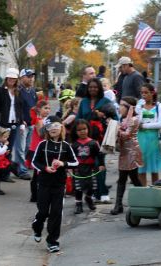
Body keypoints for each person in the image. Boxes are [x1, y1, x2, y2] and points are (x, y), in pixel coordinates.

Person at [31, 115, 78, 253]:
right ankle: (37, 227)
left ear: (61, 128)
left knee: (56, 213)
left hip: (59, 184)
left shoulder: (66, 146)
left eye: (56, 126)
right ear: (46, 129)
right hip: (44, 183)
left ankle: (52, 241)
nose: (53, 129)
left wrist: (63, 163)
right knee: (43, 212)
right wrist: (45, 168)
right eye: (50, 126)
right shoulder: (42, 144)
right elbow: (34, 162)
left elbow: (75, 162)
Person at [77, 78, 115, 203]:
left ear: (99, 88)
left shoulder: (106, 101)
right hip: (86, 138)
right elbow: (78, 119)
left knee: (100, 163)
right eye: (90, 87)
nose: (93, 89)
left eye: (95, 87)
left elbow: (115, 118)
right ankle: (93, 192)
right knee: (90, 165)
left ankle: (103, 193)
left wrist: (103, 116)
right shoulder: (84, 102)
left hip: (100, 137)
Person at [110, 96, 143, 215]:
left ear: (129, 107)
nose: (119, 107)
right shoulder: (123, 119)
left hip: (131, 151)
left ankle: (144, 201)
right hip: (125, 151)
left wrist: (116, 129)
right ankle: (118, 205)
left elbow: (127, 135)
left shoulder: (133, 119)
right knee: (122, 178)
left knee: (133, 178)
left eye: (122, 105)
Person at [0, 67, 24, 183]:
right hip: (3, 124)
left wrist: (21, 123)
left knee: (8, 150)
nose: (12, 80)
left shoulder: (18, 91)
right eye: (10, 78)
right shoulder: (0, 90)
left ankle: (5, 174)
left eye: (14, 78)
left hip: (14, 124)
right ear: (6, 78)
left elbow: (20, 108)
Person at [71, 119, 104, 214]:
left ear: (88, 129)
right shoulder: (74, 144)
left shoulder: (93, 143)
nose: (82, 131)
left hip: (91, 168)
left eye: (84, 129)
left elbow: (100, 154)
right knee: (78, 187)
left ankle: (88, 198)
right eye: (79, 130)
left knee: (92, 186)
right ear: (75, 131)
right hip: (78, 169)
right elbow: (69, 157)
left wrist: (101, 164)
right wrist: (68, 168)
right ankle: (78, 205)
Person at [136, 83, 161, 186]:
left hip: (154, 139)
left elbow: (160, 124)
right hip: (141, 139)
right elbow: (138, 122)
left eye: (146, 93)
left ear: (152, 93)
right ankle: (143, 192)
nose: (143, 95)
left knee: (154, 168)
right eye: (142, 93)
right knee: (141, 168)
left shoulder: (159, 106)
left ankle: (155, 190)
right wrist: (139, 108)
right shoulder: (140, 106)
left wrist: (144, 126)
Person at [13, 69, 38, 180]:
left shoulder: (32, 91)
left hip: (31, 123)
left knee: (27, 147)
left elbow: (35, 107)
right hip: (21, 124)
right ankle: (22, 171)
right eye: (28, 76)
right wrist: (20, 120)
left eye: (32, 76)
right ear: (22, 77)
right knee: (20, 148)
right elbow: (15, 107)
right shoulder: (17, 91)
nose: (31, 78)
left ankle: (16, 165)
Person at [26, 100, 51, 202]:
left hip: (42, 148)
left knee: (40, 173)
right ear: (39, 109)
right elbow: (41, 134)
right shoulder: (38, 120)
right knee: (37, 173)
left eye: (49, 108)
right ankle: (35, 195)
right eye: (45, 108)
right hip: (37, 149)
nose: (48, 110)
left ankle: (39, 194)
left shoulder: (45, 119)